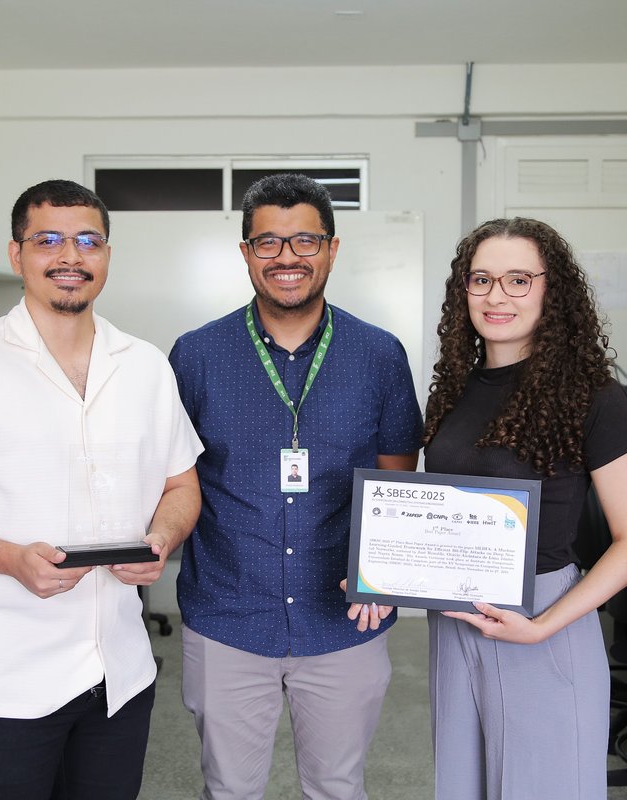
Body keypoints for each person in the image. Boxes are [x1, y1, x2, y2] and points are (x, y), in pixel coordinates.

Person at [0, 179, 203, 800]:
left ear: (107, 255)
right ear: (16, 254)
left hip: (119, 673)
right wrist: (9, 559)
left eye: (88, 241)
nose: (70, 256)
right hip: (6, 680)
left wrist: (163, 535)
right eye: (48, 240)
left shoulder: (146, 367)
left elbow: (181, 484)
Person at [169, 172, 423, 799]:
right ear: (246, 252)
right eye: (268, 242)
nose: (287, 257)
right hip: (227, 614)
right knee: (228, 789)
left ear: (332, 249)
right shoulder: (195, 356)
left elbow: (397, 476)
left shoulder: (379, 353)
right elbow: (172, 478)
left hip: (343, 621)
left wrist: (381, 570)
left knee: (337, 786)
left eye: (305, 240)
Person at [422, 217, 627, 799]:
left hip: (543, 616)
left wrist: (543, 626)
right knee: (462, 788)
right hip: (453, 620)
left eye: (519, 280)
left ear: (552, 290)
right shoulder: (453, 390)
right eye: (481, 279)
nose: (496, 295)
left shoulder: (590, 394)